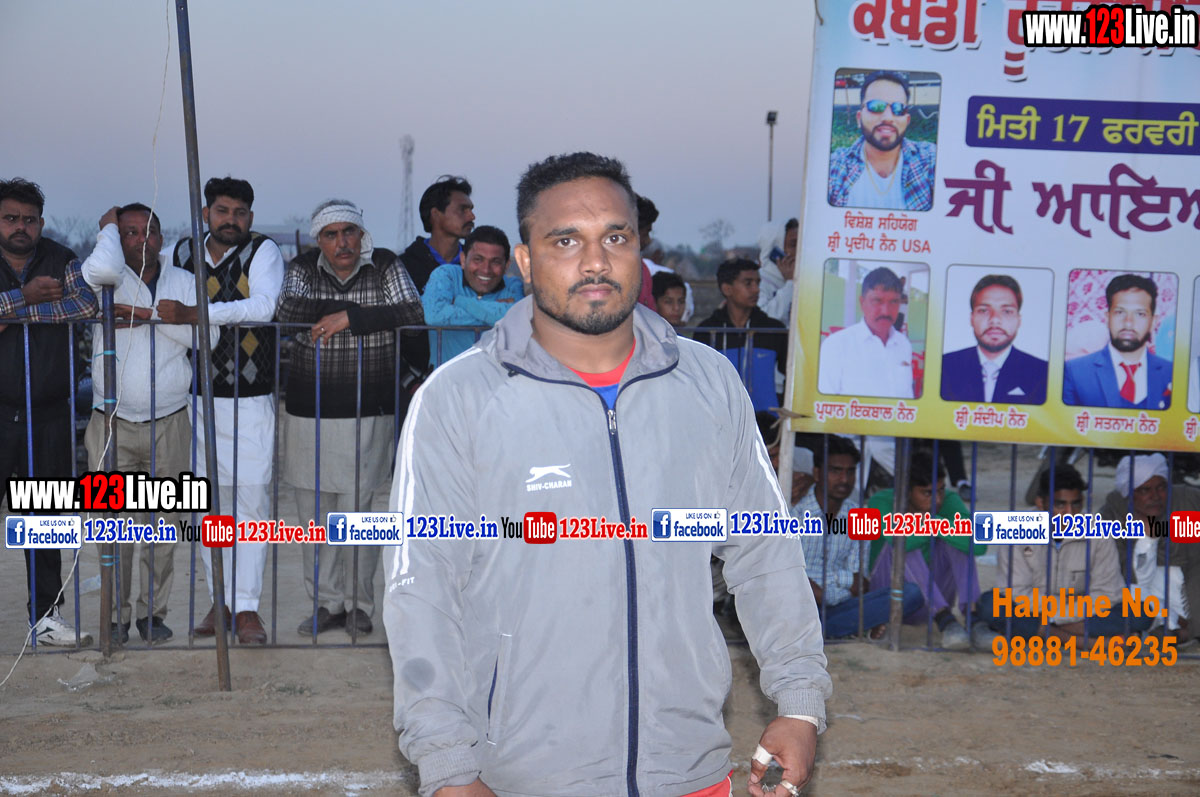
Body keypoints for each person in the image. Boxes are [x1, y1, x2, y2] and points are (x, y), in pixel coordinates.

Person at [384, 152, 830, 797]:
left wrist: (800, 701)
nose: (595, 262)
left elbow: (765, 552)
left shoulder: (708, 382)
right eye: (566, 241)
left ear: (639, 250)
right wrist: (448, 765)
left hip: (689, 769)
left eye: (615, 238)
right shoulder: (458, 399)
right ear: (526, 260)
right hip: (523, 776)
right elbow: (421, 590)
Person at [277, 200, 424, 636]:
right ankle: (327, 604)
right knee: (314, 515)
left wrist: (350, 318)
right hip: (309, 409)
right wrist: (359, 314)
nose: (342, 242)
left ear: (361, 234)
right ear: (319, 240)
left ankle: (359, 604)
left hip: (368, 407)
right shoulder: (303, 268)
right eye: (331, 234)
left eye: (349, 232)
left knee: (359, 514)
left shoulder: (384, 265)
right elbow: (287, 311)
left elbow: (412, 313)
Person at [81, 203, 219, 644]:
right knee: (112, 524)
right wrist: (106, 227)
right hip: (112, 421)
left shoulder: (184, 280)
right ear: (116, 238)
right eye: (130, 232)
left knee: (164, 525)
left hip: (169, 420)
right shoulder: (105, 278)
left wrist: (150, 317)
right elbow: (98, 291)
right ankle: (115, 616)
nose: (143, 240)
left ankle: (152, 615)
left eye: (150, 231)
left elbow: (211, 336)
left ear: (162, 236)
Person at [157, 176, 284, 645]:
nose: (232, 220)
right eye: (223, 211)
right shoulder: (181, 252)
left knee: (251, 503)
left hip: (250, 398)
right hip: (195, 397)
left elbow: (264, 307)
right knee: (209, 504)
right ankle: (221, 601)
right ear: (206, 212)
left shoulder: (262, 251)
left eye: (240, 212)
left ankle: (247, 607)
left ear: (250, 216)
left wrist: (198, 314)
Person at [0, 177, 97, 646]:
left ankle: (45, 618)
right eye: (11, 218)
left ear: (41, 222)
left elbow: (84, 304)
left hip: (51, 413)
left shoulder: (62, 258)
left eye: (30, 219)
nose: (21, 227)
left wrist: (9, 314)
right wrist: (26, 297)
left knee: (46, 520)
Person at [978, 464, 1149, 640]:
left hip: (1075, 610)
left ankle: (1043, 632)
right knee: (990, 605)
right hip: (1039, 609)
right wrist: (1062, 611)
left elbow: (1109, 593)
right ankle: (1080, 641)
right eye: (1060, 505)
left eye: (1076, 504)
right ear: (1041, 503)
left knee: (1141, 613)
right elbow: (1016, 592)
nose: (1069, 513)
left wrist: (1059, 617)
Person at [796, 436, 923, 639]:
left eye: (850, 472)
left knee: (911, 594)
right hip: (800, 605)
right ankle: (851, 627)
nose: (844, 480)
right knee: (792, 598)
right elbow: (789, 577)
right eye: (835, 471)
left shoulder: (862, 516)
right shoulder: (793, 511)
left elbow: (861, 583)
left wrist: (823, 586)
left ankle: (830, 628)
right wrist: (841, 580)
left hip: (841, 605)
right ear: (817, 473)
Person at [866, 451, 987, 650]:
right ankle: (945, 619)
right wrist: (934, 526)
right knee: (901, 542)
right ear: (906, 491)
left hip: (932, 602)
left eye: (940, 490)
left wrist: (935, 523)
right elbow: (899, 540)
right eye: (927, 493)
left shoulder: (949, 501)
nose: (937, 500)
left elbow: (979, 545)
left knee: (959, 541)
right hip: (892, 601)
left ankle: (974, 620)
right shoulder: (882, 502)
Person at [1100, 454, 1200, 644]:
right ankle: (1173, 629)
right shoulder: (1112, 515)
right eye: (1145, 490)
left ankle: (1180, 631)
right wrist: (1147, 539)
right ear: (1129, 493)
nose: (1155, 496)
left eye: (1161, 487)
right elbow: (1121, 573)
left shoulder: (1187, 502)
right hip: (1140, 591)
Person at [827, 70, 936, 211]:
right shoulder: (835, 166)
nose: (888, 118)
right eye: (876, 106)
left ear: (907, 120)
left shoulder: (930, 159)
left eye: (898, 108)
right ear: (859, 118)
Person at [1063, 274, 1173, 410]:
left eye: (1140, 314)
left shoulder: (1172, 373)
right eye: (1120, 312)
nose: (1128, 323)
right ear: (1107, 318)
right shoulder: (1074, 372)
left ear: (1153, 322)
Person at [693, 258, 788, 412]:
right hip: (720, 419)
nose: (756, 289)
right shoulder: (707, 331)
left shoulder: (774, 329)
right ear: (727, 289)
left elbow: (791, 374)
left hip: (767, 422)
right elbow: (698, 382)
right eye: (748, 283)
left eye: (757, 283)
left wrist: (782, 405)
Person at [421, 225, 523, 367]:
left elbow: (517, 320)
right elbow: (434, 315)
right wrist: (496, 314)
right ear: (463, 260)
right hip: (448, 377)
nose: (486, 269)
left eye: (495, 262)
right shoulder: (446, 275)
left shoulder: (513, 285)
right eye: (478, 259)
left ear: (506, 266)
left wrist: (461, 301)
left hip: (496, 378)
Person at [941, 274, 1048, 404]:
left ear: (1018, 320)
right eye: (983, 310)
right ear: (971, 318)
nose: (995, 320)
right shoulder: (944, 367)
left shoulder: (1042, 373)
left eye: (1007, 311)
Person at [818, 266, 915, 398]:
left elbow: (907, 397)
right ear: (862, 302)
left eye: (894, 302)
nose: (886, 311)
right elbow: (825, 403)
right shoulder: (836, 345)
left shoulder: (904, 344)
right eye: (877, 301)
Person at [398, 176, 475, 293]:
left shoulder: (478, 267)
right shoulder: (402, 268)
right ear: (435, 214)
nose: (472, 216)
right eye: (462, 209)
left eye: (471, 210)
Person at [637, 194, 692, 321]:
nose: (648, 241)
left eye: (680, 302)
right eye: (646, 233)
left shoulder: (643, 270)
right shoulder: (607, 268)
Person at [757, 217, 798, 324]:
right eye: (793, 245)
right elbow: (766, 318)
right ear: (774, 250)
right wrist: (790, 283)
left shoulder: (804, 279)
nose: (799, 250)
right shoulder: (757, 281)